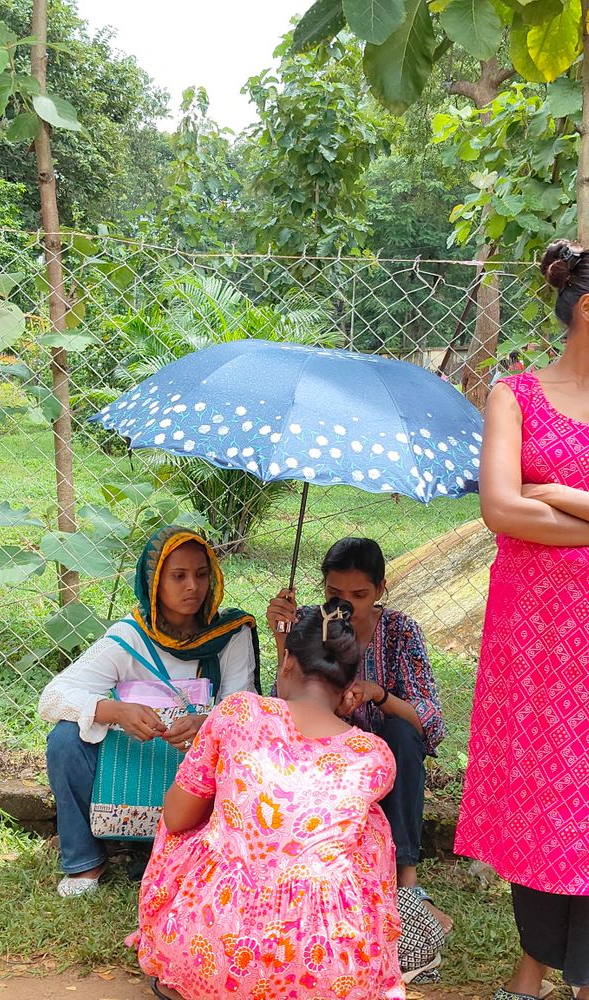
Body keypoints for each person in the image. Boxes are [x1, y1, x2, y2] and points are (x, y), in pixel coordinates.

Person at [129, 599, 404, 1000]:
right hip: (328, 971)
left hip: (217, 949)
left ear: (287, 661)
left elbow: (175, 818)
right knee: (371, 827)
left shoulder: (238, 712)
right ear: (349, 688)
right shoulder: (374, 755)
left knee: (193, 813)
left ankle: (181, 956)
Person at [455, 238, 589, 1000]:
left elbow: (530, 503)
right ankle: (530, 970)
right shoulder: (517, 395)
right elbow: (502, 509)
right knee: (543, 797)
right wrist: (535, 503)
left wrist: (561, 496)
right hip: (536, 641)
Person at [38, 525, 258, 897]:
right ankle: (86, 861)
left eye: (202, 574)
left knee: (247, 751)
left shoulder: (230, 635)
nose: (193, 586)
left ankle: (207, 847)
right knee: (65, 739)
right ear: (154, 581)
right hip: (135, 760)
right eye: (179, 576)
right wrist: (115, 711)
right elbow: (53, 696)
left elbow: (246, 709)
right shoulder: (130, 636)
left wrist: (207, 722)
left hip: (196, 766)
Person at [267, 538, 452, 941]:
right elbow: (284, 705)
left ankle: (407, 882)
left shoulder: (400, 631)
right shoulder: (311, 624)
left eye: (360, 594)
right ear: (323, 588)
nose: (346, 604)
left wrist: (377, 695)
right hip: (326, 756)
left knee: (403, 733)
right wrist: (283, 636)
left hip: (384, 760)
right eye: (335, 593)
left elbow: (431, 721)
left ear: (381, 589)